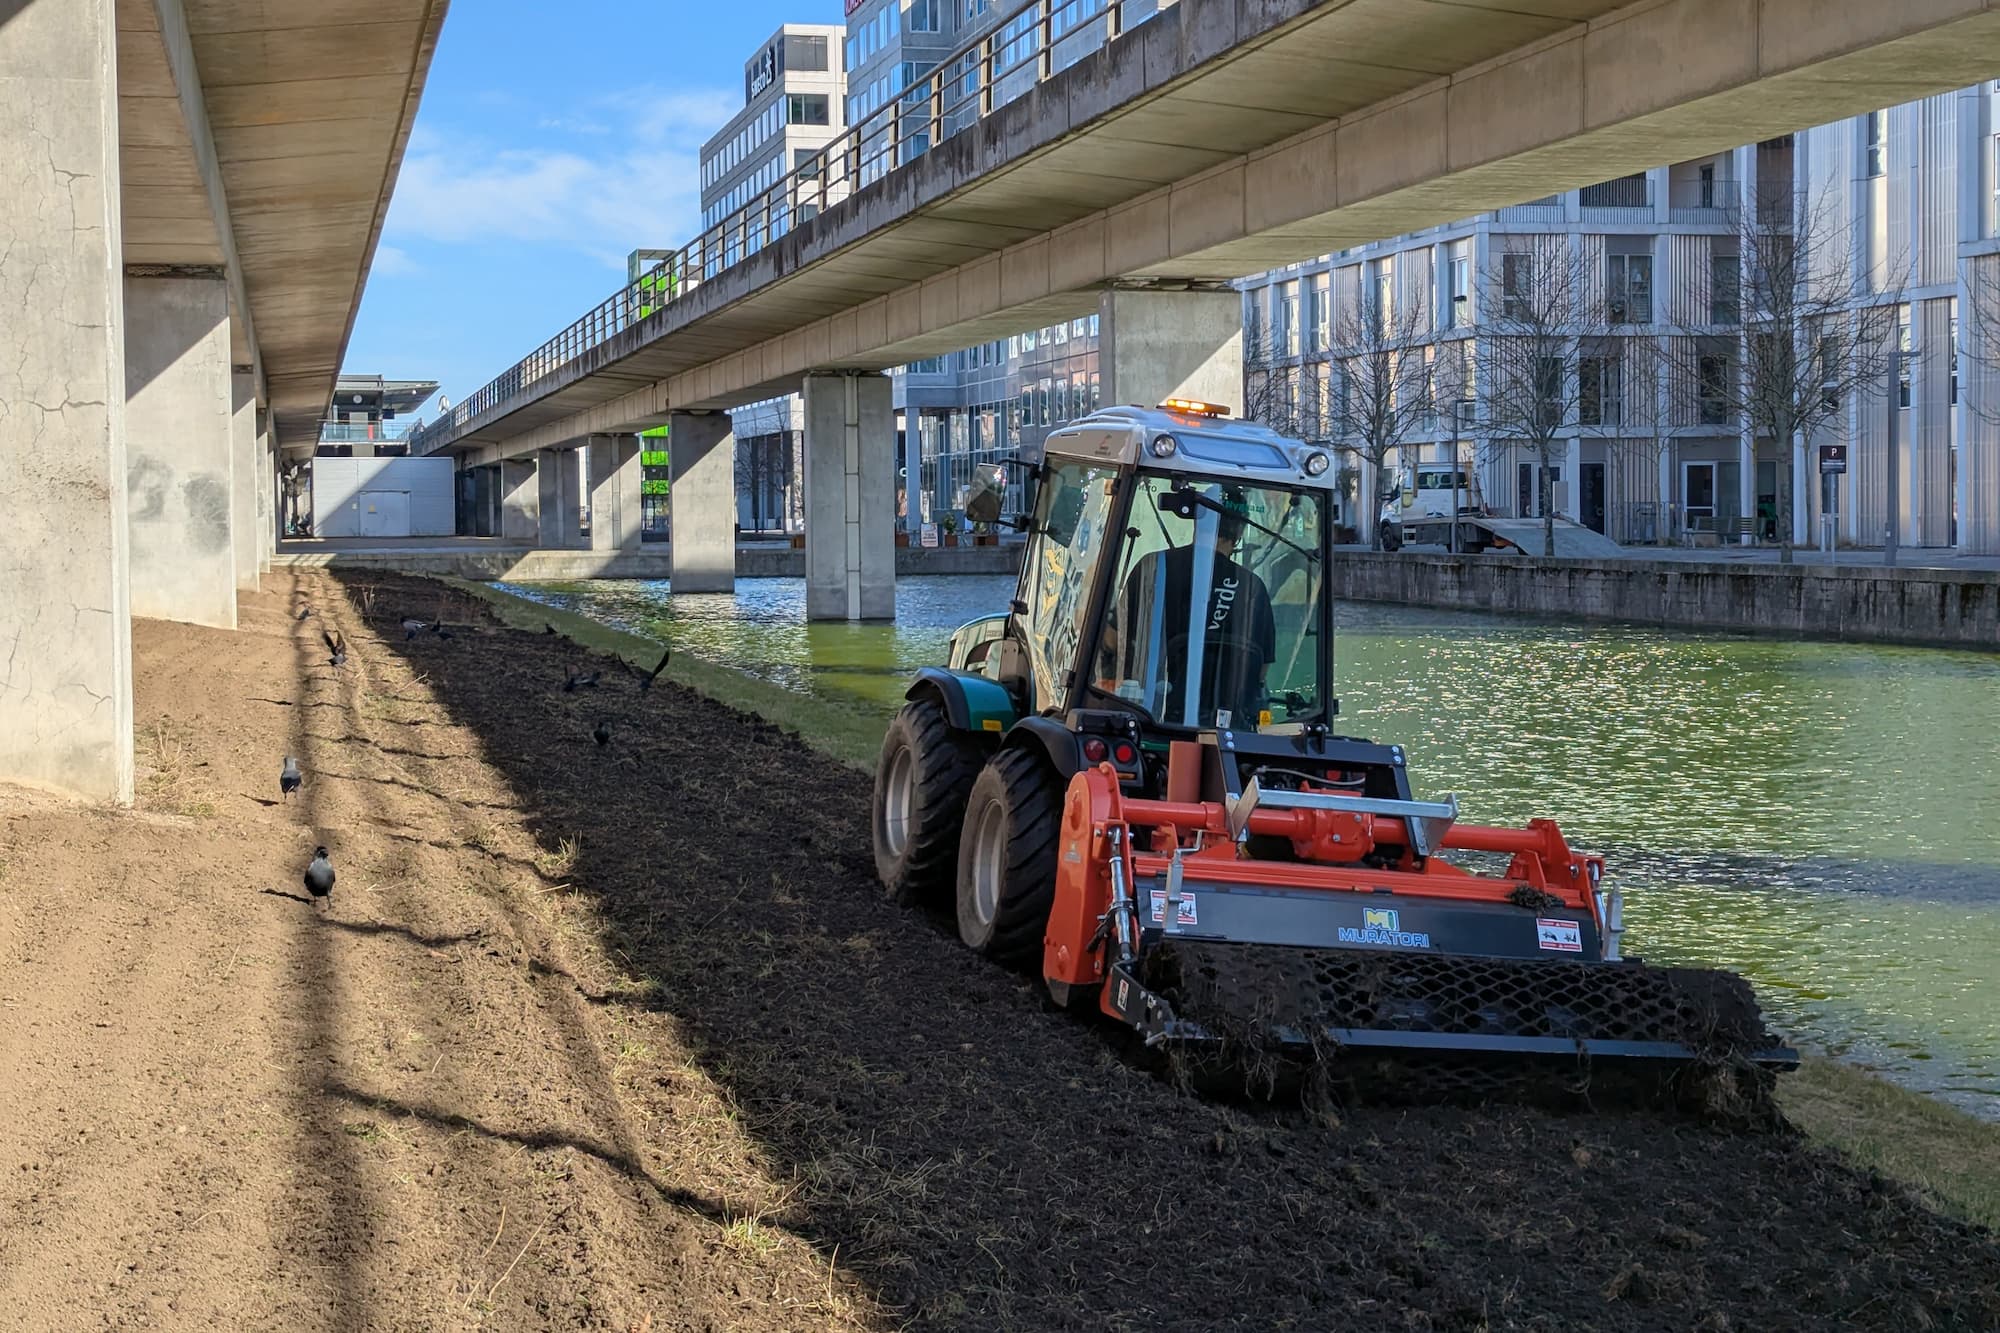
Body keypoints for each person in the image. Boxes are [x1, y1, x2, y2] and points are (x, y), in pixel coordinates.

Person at [1099, 487, 1276, 726]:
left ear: (1196, 522)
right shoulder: (1254, 587)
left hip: (1154, 716)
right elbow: (1261, 671)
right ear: (1240, 532)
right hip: (1228, 725)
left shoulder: (1153, 567)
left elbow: (1114, 641)